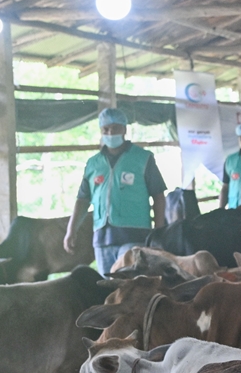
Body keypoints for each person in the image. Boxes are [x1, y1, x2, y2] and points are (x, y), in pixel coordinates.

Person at [63, 107, 167, 276]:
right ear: (101, 130)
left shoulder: (143, 158)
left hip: (135, 235)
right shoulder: (93, 163)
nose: (110, 133)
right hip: (102, 238)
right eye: (106, 129)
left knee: (131, 282)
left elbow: (158, 195)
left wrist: (159, 232)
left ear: (124, 129)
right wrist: (71, 230)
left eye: (115, 128)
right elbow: (82, 199)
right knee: (107, 284)